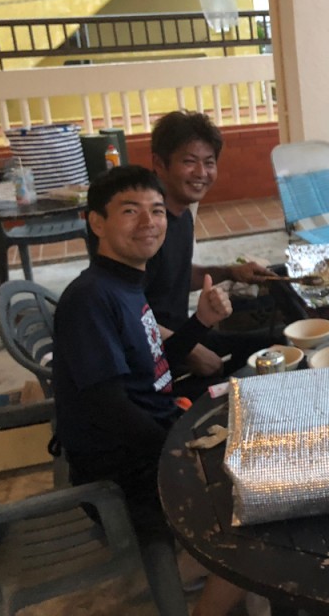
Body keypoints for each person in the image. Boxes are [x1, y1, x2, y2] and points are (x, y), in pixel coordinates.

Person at [52, 165, 243, 616]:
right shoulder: (89, 299)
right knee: (259, 504)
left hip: (149, 439)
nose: (149, 222)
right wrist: (182, 452)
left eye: (156, 211)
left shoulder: (124, 283)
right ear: (97, 222)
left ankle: (185, 570)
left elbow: (154, 368)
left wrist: (201, 322)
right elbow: (108, 407)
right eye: (130, 211)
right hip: (122, 475)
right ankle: (206, 579)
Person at [146, 111, 280, 398]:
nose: (201, 173)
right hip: (155, 361)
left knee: (278, 347)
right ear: (159, 163)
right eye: (189, 161)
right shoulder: (147, 230)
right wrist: (193, 351)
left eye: (209, 163)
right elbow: (128, 314)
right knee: (256, 381)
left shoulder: (182, 215)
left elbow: (177, 275)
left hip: (184, 335)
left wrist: (231, 272)